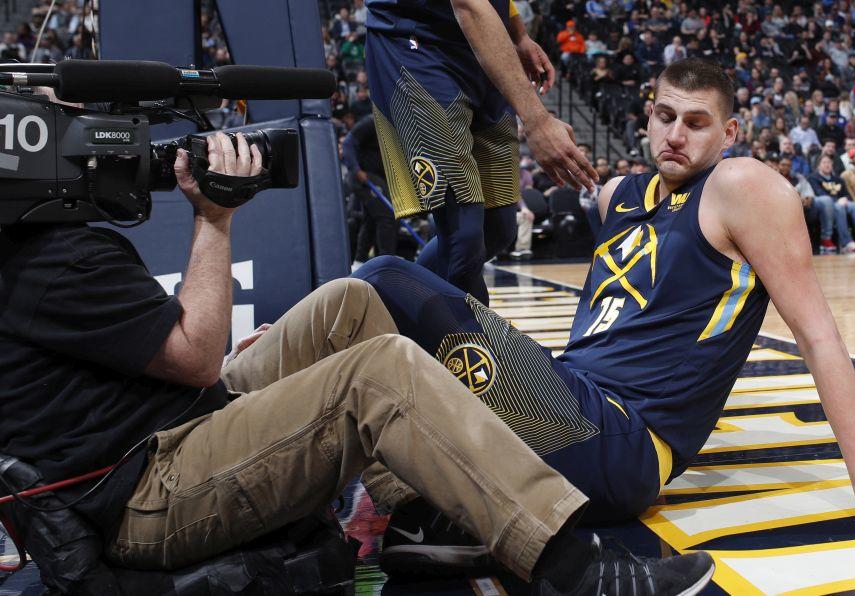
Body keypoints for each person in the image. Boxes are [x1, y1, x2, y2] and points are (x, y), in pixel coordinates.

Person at [0, 131, 714, 596]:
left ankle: (416, 519)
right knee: (378, 374)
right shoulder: (55, 259)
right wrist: (214, 217)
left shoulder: (33, 248)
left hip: (148, 436)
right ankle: (571, 569)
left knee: (348, 302)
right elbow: (194, 357)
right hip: (145, 491)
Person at [352, 58, 855, 571]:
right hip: (567, 399)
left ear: (729, 134)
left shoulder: (741, 187)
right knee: (381, 367)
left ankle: (443, 503)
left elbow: (818, 337)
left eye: (696, 123)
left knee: (384, 279)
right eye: (665, 117)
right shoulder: (617, 195)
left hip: (622, 441)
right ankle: (443, 512)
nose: (675, 135)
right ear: (648, 117)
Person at [364, 0, 597, 304]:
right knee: (463, 235)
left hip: (480, 42)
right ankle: (469, 332)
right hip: (418, 43)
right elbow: (469, 5)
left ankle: (386, 308)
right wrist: (537, 120)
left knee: (497, 227)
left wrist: (518, 35)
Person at [342, 113, 399, 264]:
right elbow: (348, 143)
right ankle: (387, 262)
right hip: (365, 176)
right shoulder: (373, 121)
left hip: (377, 178)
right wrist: (356, 169)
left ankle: (359, 261)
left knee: (371, 220)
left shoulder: (394, 127)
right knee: (387, 216)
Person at [809, 154, 855, 252]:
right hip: (826, 207)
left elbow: (847, 195)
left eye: (829, 162)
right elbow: (819, 193)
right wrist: (837, 200)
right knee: (839, 207)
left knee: (854, 206)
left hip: (842, 202)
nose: (827, 165)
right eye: (824, 163)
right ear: (818, 166)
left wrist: (845, 199)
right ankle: (846, 242)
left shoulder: (838, 179)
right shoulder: (813, 178)